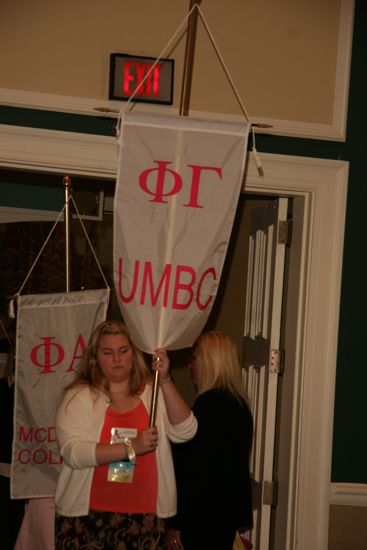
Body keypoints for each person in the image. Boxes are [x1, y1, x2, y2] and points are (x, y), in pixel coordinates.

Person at [54, 320, 197, 549]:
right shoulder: (79, 397)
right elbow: (73, 452)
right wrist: (131, 448)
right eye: (107, 352)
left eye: (123, 351)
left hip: (146, 517)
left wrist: (166, 380)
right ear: (95, 357)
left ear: (134, 353)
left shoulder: (153, 393)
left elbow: (186, 431)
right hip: (87, 517)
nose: (117, 359)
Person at [166, 330, 253, 550]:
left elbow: (195, 472)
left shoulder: (209, 406)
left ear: (208, 361)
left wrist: (177, 523)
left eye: (193, 358)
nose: (189, 365)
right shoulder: (240, 406)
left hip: (201, 521)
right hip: (223, 519)